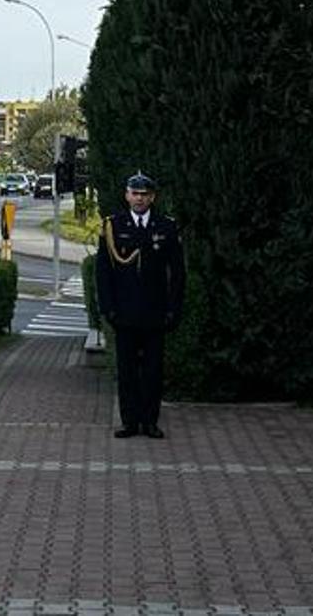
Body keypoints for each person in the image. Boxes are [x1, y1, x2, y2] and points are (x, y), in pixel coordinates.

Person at [94, 172, 186, 439]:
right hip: (124, 313)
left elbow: (177, 273)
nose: (139, 199)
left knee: (153, 372)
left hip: (155, 313)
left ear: (152, 197)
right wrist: (108, 309)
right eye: (135, 193)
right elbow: (103, 273)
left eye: (144, 194)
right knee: (127, 372)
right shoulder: (114, 226)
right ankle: (129, 422)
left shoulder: (166, 227)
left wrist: (173, 309)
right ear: (126, 196)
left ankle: (150, 422)